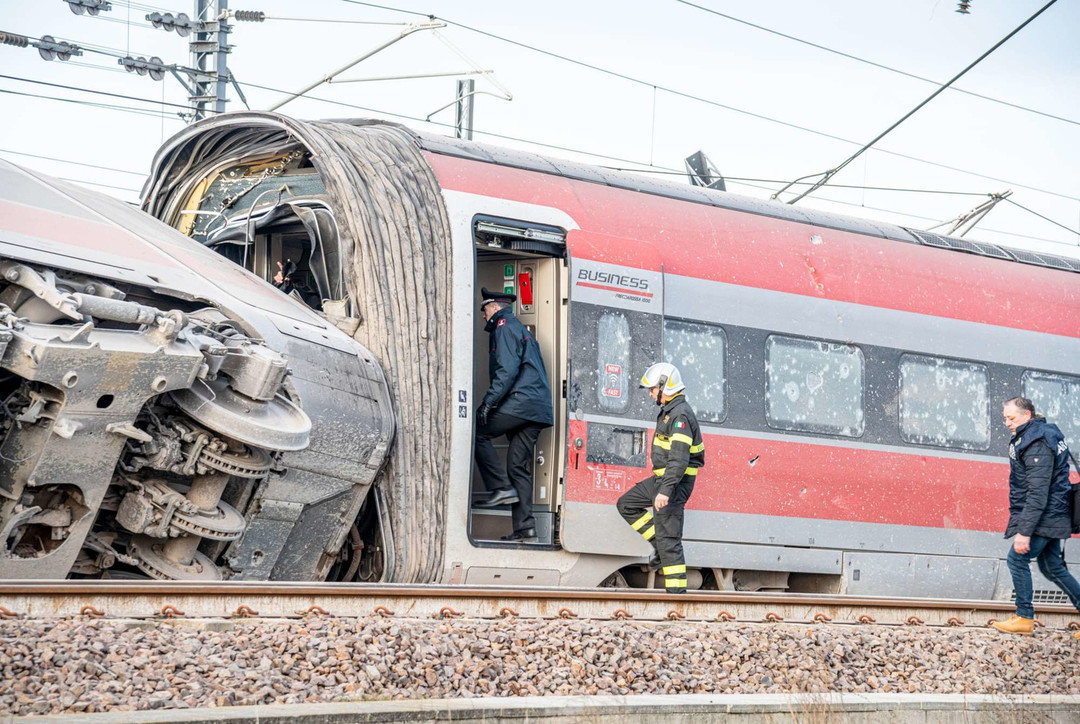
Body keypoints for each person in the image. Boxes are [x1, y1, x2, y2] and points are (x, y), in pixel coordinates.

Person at [992, 397, 1080, 635]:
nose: (1007, 423)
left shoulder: (1036, 442)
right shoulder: (1039, 435)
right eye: (1005, 418)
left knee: (1016, 560)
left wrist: (1024, 531)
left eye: (1011, 418)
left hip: (1045, 516)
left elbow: (1038, 491)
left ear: (1027, 415)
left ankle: (1024, 616)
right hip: (1053, 514)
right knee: (1053, 568)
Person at [473, 287, 554, 542]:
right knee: (518, 467)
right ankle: (526, 529)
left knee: (477, 432)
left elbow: (507, 371)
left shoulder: (504, 327)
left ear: (494, 307)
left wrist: (488, 403)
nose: (483, 316)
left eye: (484, 310)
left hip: (522, 402)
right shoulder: (518, 327)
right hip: (537, 408)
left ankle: (500, 488)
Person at [616, 363, 705, 593]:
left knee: (670, 541)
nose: (650, 393)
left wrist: (665, 491)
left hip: (674, 484)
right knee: (626, 504)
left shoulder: (680, 416)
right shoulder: (669, 412)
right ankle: (659, 543)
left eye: (652, 389)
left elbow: (679, 460)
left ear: (665, 386)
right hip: (661, 479)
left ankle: (677, 598)